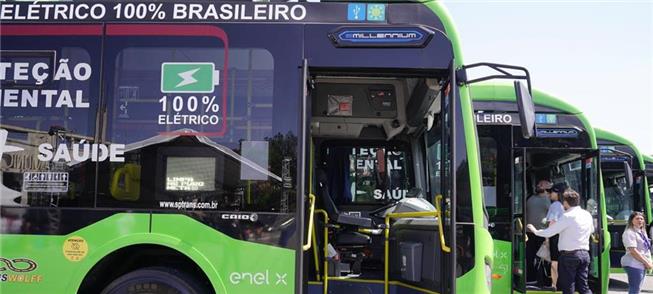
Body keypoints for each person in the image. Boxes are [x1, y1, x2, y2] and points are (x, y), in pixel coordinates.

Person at [527, 189, 594, 294]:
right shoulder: (587, 215)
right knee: (583, 286)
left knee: (568, 287)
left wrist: (535, 231)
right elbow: (592, 230)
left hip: (569, 256)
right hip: (585, 255)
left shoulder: (567, 216)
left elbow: (550, 232)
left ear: (566, 202)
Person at [525, 179, 552, 285]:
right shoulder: (530, 198)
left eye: (541, 184)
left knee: (544, 258)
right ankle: (531, 278)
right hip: (529, 233)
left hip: (542, 234)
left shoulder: (549, 200)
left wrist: (548, 237)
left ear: (547, 187)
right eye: (538, 184)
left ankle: (545, 280)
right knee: (529, 257)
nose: (538, 185)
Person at [621, 211, 652, 294]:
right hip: (634, 264)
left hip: (641, 264)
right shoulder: (629, 232)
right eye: (637, 218)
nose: (640, 220)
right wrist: (646, 262)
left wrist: (648, 262)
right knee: (635, 289)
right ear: (631, 220)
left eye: (642, 219)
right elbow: (633, 251)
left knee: (637, 289)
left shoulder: (642, 231)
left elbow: (645, 249)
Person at [545, 182, 567, 291]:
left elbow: (552, 223)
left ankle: (554, 284)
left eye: (552, 191)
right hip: (564, 236)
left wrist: (546, 238)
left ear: (557, 193)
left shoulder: (555, 205)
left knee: (554, 261)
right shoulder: (566, 205)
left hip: (555, 236)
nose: (550, 194)